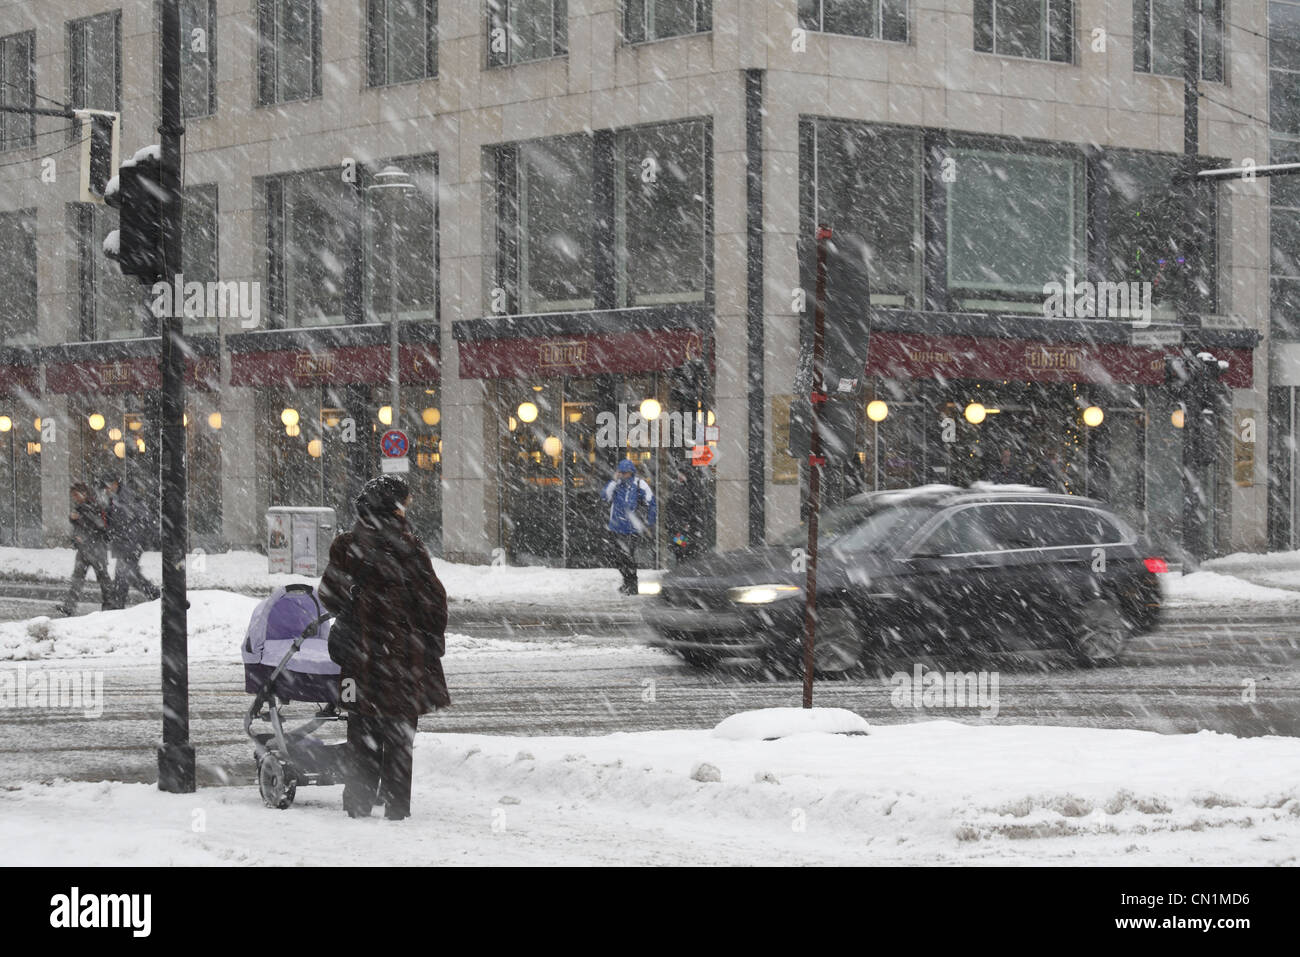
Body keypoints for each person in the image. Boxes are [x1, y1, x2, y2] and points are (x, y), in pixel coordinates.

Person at [319, 475, 448, 821]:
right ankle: (397, 809)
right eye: (405, 502)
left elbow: (328, 599)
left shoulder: (346, 547)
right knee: (400, 740)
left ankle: (359, 803)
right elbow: (434, 603)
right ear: (395, 507)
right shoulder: (412, 547)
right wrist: (429, 639)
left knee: (361, 732)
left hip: (361, 659)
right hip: (405, 661)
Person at [56, 482, 113, 615]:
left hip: (97, 548)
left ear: (84, 493)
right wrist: (73, 519)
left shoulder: (94, 505)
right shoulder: (83, 506)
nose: (75, 498)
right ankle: (69, 607)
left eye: (76, 495)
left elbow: (99, 526)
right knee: (77, 578)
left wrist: (79, 519)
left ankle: (109, 606)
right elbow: (82, 525)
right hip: (84, 549)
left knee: (103, 578)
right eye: (73, 495)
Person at [602, 458, 657, 595]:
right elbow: (604, 496)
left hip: (632, 528)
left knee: (628, 557)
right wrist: (614, 481)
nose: (622, 475)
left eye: (624, 472)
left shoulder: (640, 484)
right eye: (620, 472)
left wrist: (650, 522)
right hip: (616, 527)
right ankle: (628, 582)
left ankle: (631, 584)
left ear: (631, 472)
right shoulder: (616, 485)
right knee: (617, 558)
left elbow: (651, 502)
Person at [104, 473, 159, 607]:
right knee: (128, 575)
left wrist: (140, 536)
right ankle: (156, 596)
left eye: (108, 486)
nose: (106, 489)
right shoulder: (115, 499)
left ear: (115, 484)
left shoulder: (126, 498)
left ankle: (118, 605)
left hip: (131, 542)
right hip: (124, 542)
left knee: (124, 574)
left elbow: (145, 517)